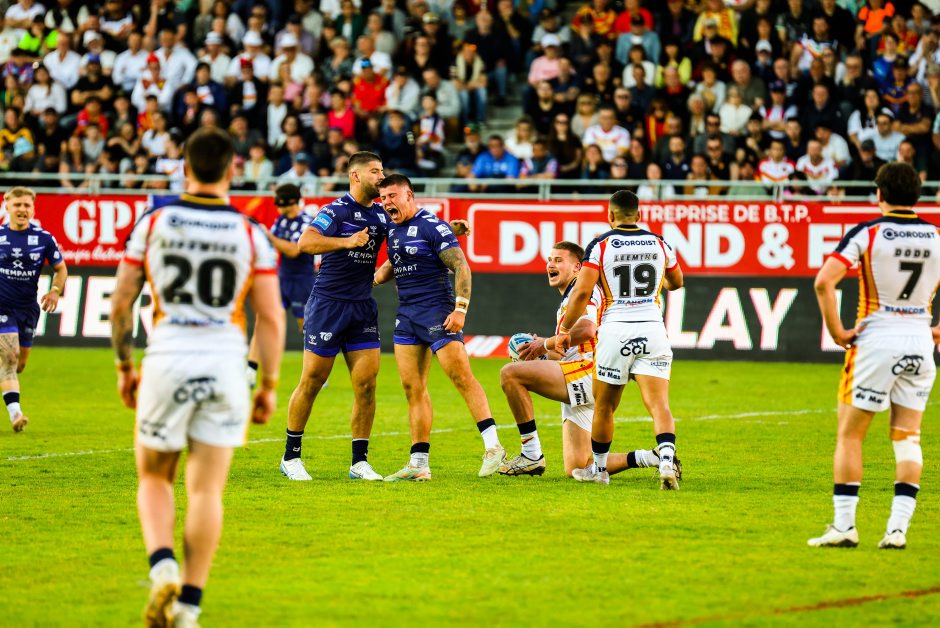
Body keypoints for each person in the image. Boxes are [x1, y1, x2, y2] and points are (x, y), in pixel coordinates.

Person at [109, 127, 285, 625]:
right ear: (232, 170)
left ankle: (163, 566)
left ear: (184, 167)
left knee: (154, 476)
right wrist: (268, 385)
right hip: (225, 364)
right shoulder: (250, 233)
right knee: (206, 491)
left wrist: (124, 365)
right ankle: (189, 605)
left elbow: (121, 302)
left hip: (167, 358)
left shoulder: (154, 222)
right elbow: (271, 317)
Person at [279, 151, 469, 481]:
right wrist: (346, 241)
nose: (381, 177)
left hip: (362, 307)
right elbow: (305, 243)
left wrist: (450, 229)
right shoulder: (335, 210)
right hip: (328, 305)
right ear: (355, 176)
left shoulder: (383, 214)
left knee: (367, 385)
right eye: (375, 171)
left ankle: (359, 462)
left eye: (382, 171)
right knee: (312, 380)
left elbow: (410, 231)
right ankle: (291, 456)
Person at [809, 162, 940, 550]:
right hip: (920, 341)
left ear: (879, 194)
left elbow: (824, 282)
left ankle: (844, 526)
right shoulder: (936, 236)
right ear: (917, 196)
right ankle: (897, 531)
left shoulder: (868, 233)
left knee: (850, 434)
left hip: (877, 340)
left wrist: (837, 331)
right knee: (908, 437)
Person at [498, 241, 672, 478]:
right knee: (577, 467)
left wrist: (546, 343)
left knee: (510, 374)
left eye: (558, 260)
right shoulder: (569, 299)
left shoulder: (583, 289)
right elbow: (565, 350)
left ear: (578, 267)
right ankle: (652, 457)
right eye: (549, 260)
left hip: (589, 371)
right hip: (579, 370)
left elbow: (588, 330)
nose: (551, 265)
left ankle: (531, 454)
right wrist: (539, 351)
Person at [372, 175, 506, 480]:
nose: (387, 202)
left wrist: (460, 309)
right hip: (407, 315)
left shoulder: (433, 226)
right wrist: (372, 280)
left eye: (392, 196)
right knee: (412, 388)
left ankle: (493, 446)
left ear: (409, 195)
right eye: (383, 198)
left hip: (437, 312)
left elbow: (461, 266)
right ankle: (419, 464)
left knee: (461, 377)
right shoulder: (393, 228)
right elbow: (395, 261)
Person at [556, 190, 684, 488]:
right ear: (639, 215)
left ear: (610, 215)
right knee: (659, 404)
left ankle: (599, 470)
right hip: (653, 329)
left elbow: (582, 292)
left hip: (616, 331)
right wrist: (657, 281)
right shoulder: (660, 243)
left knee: (604, 406)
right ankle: (666, 460)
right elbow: (676, 282)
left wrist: (564, 330)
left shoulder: (600, 245)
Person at [0, 187, 67, 433]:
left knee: (18, 365)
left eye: (27, 205)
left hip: (28, 309)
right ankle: (15, 414)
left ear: (33, 209)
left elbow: (61, 269)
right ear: (7, 206)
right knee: (10, 356)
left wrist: (55, 291)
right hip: (2, 305)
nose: (22, 209)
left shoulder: (44, 238)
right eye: (17, 205)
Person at [248, 184, 316, 388]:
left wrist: (268, 236)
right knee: (263, 320)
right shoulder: (281, 220)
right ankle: (250, 370)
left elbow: (293, 250)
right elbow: (273, 244)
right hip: (283, 277)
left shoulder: (306, 223)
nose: (276, 207)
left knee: (306, 326)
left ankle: (315, 371)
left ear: (290, 202)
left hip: (302, 280)